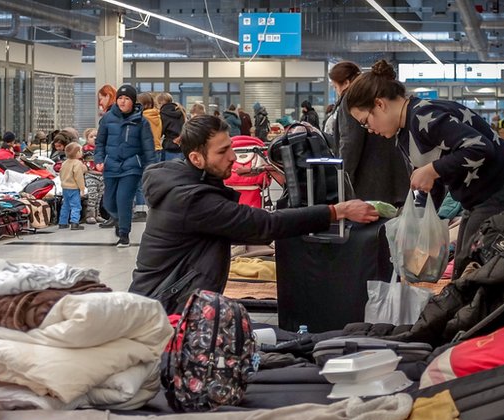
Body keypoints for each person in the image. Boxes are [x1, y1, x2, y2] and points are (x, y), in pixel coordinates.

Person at [129, 114, 378, 312]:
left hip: (164, 300)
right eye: (222, 152)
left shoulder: (183, 179)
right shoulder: (190, 200)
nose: (232, 157)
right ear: (196, 158)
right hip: (165, 308)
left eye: (230, 147)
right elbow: (262, 225)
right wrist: (337, 211)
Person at [346, 59, 504, 279]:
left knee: (472, 271)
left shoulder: (421, 117)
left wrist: (432, 169)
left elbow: (479, 147)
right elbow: (432, 185)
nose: (369, 129)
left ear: (379, 104)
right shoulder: (404, 132)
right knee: (462, 267)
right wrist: (416, 222)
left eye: (365, 121)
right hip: (482, 198)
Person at [329, 60, 409, 206]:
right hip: (394, 178)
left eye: (335, 87)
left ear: (346, 83)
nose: (337, 91)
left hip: (370, 184)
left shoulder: (353, 101)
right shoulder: (375, 91)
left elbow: (350, 143)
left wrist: (343, 184)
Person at [94, 84, 157, 248]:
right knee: (108, 202)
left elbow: (148, 147)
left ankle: (124, 234)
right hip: (111, 166)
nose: (122, 101)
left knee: (124, 199)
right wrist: (99, 159)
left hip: (131, 166)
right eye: (120, 98)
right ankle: (119, 219)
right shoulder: (107, 119)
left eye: (127, 98)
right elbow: (100, 142)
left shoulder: (141, 121)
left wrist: (151, 168)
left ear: (133, 101)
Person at [58, 142, 88, 230]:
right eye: (81, 151)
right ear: (77, 153)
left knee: (66, 205)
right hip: (74, 188)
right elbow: (79, 177)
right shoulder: (77, 163)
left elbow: (61, 174)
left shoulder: (64, 163)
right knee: (76, 206)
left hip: (65, 187)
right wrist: (82, 188)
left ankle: (62, 222)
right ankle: (74, 222)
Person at [157, 92, 184, 161]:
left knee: (168, 170)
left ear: (160, 103)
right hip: (181, 146)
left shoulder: (163, 114)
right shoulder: (180, 111)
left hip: (170, 146)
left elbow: (160, 132)